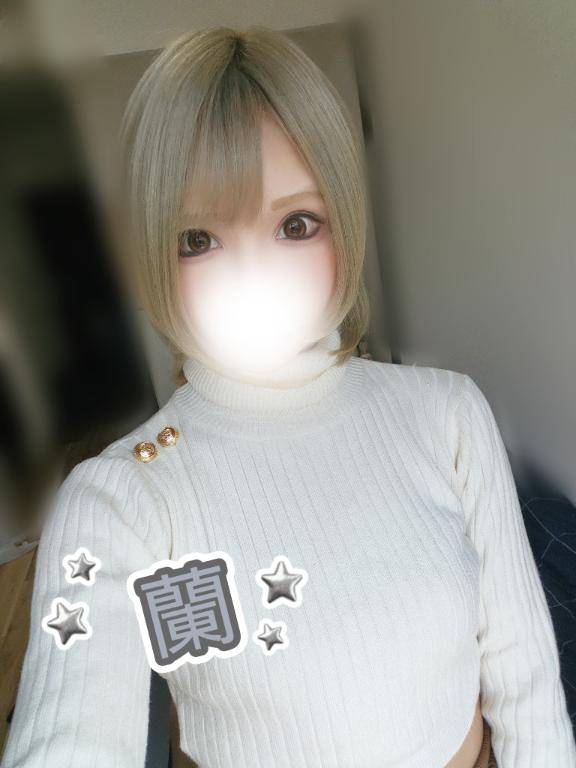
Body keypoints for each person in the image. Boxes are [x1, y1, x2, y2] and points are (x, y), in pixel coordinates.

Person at [2, 25, 575, 768]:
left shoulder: (450, 414)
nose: (254, 277)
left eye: (295, 224)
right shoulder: (118, 499)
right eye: (198, 239)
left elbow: (525, 678)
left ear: (345, 222)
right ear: (153, 252)